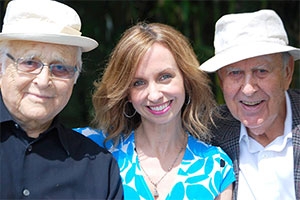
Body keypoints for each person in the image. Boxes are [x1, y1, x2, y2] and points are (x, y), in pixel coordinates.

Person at [75, 22, 235, 200]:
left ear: (186, 79)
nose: (154, 95)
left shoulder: (214, 165)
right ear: (126, 92)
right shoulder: (94, 149)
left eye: (165, 77)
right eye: (138, 83)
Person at [0, 0, 123, 199]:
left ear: (75, 78)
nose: (43, 81)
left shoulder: (99, 168)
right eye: (30, 62)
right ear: (1, 66)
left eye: (60, 68)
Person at [200, 9, 300, 200]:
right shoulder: (206, 135)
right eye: (235, 73)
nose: (248, 89)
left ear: (287, 73)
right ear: (221, 82)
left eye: (261, 71)